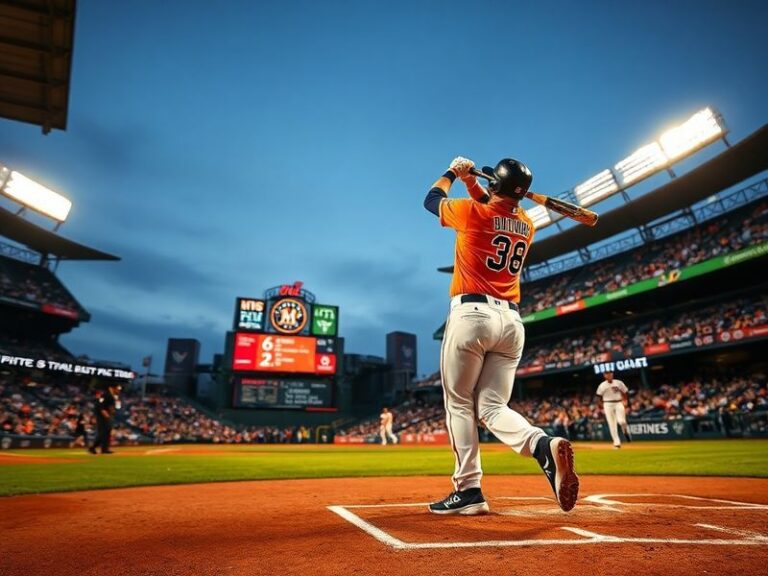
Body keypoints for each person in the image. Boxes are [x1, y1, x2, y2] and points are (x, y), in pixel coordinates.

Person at [423, 156, 579, 515]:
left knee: (460, 404)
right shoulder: (526, 223)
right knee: (493, 407)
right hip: (511, 323)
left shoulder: (473, 214)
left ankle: (469, 490)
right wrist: (471, 182)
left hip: (471, 316)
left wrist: (452, 172)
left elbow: (430, 200)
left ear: (495, 186)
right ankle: (541, 446)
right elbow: (490, 205)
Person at [596, 370, 631, 448]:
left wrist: (626, 402)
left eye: (610, 373)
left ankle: (625, 431)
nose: (609, 375)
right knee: (612, 424)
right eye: (607, 374)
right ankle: (616, 443)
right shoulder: (602, 385)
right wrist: (601, 407)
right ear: (604, 376)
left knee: (621, 421)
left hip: (618, 402)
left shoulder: (619, 382)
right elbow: (598, 397)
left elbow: (625, 392)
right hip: (607, 404)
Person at [89, 384, 119, 454]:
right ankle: (93, 447)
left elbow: (111, 407)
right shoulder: (106, 395)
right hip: (102, 416)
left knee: (107, 432)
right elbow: (101, 406)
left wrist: (111, 414)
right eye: (117, 388)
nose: (118, 390)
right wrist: (106, 415)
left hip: (107, 415)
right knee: (103, 432)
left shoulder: (112, 396)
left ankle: (104, 449)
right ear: (111, 388)